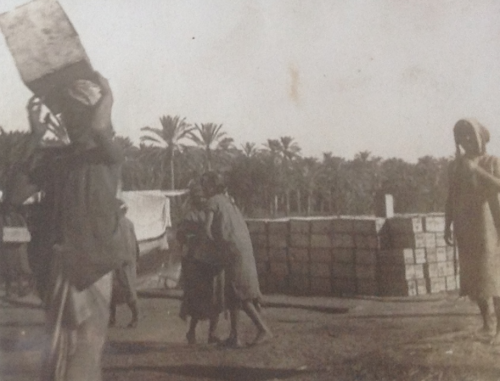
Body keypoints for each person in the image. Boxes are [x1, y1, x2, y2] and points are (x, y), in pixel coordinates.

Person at [9, 72, 125, 381]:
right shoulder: (57, 160)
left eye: (76, 113)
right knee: (59, 355)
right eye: (66, 114)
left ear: (90, 114)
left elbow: (101, 127)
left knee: (83, 356)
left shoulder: (109, 154)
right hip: (62, 266)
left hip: (93, 270)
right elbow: (14, 195)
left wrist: (108, 94)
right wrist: (34, 137)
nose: (69, 120)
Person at [200, 171, 272, 348]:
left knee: (240, 293)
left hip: (233, 250)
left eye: (205, 184)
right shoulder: (228, 201)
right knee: (233, 293)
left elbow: (207, 229)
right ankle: (234, 336)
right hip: (241, 248)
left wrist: (208, 252)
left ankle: (263, 330)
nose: (202, 188)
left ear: (211, 186)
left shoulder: (212, 201)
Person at [445, 118, 500, 344]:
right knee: (475, 277)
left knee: (493, 275)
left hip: (490, 223)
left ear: (478, 137)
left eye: (469, 135)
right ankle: (487, 323)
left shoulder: (491, 161)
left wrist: (476, 170)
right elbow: (451, 197)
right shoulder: (455, 166)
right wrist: (446, 224)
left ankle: (498, 327)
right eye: (461, 137)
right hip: (466, 225)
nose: (465, 140)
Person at [177, 179, 225, 344]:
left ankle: (212, 333)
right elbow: (181, 237)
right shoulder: (190, 215)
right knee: (198, 298)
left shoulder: (213, 211)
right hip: (197, 262)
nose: (201, 200)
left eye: (203, 197)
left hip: (213, 259)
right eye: (198, 198)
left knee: (216, 297)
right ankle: (191, 332)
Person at [109, 200, 140, 328]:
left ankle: (135, 316)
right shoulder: (117, 224)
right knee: (114, 291)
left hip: (125, 261)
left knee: (128, 290)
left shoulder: (119, 224)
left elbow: (134, 242)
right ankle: (112, 317)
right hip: (120, 260)